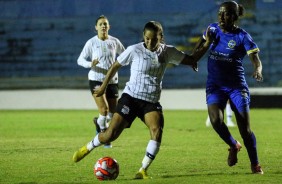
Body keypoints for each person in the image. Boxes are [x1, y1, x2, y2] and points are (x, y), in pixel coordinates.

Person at [73, 21, 202, 179]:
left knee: (156, 131)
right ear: (143, 36)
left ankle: (143, 170)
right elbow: (115, 66)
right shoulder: (134, 50)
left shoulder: (168, 52)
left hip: (151, 102)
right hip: (131, 98)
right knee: (110, 135)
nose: (149, 42)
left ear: (160, 37)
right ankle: (88, 147)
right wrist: (102, 87)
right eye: (147, 38)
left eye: (153, 39)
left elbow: (192, 59)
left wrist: (206, 41)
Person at [193, 1, 263, 174]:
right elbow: (199, 46)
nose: (223, 17)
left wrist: (258, 69)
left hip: (236, 87)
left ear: (235, 16)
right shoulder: (212, 29)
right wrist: (194, 56)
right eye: (220, 13)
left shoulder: (242, 36)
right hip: (215, 85)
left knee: (245, 130)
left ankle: (255, 163)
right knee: (216, 121)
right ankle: (233, 145)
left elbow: (255, 57)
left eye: (228, 14)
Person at [77, 15, 125, 148]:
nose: (103, 26)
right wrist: (90, 64)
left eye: (105, 24)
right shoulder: (91, 43)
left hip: (112, 81)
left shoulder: (114, 42)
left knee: (112, 113)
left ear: (109, 27)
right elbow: (80, 60)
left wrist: (120, 62)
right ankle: (104, 135)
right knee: (104, 110)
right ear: (96, 27)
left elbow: (125, 54)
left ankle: (99, 123)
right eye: (101, 24)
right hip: (96, 79)